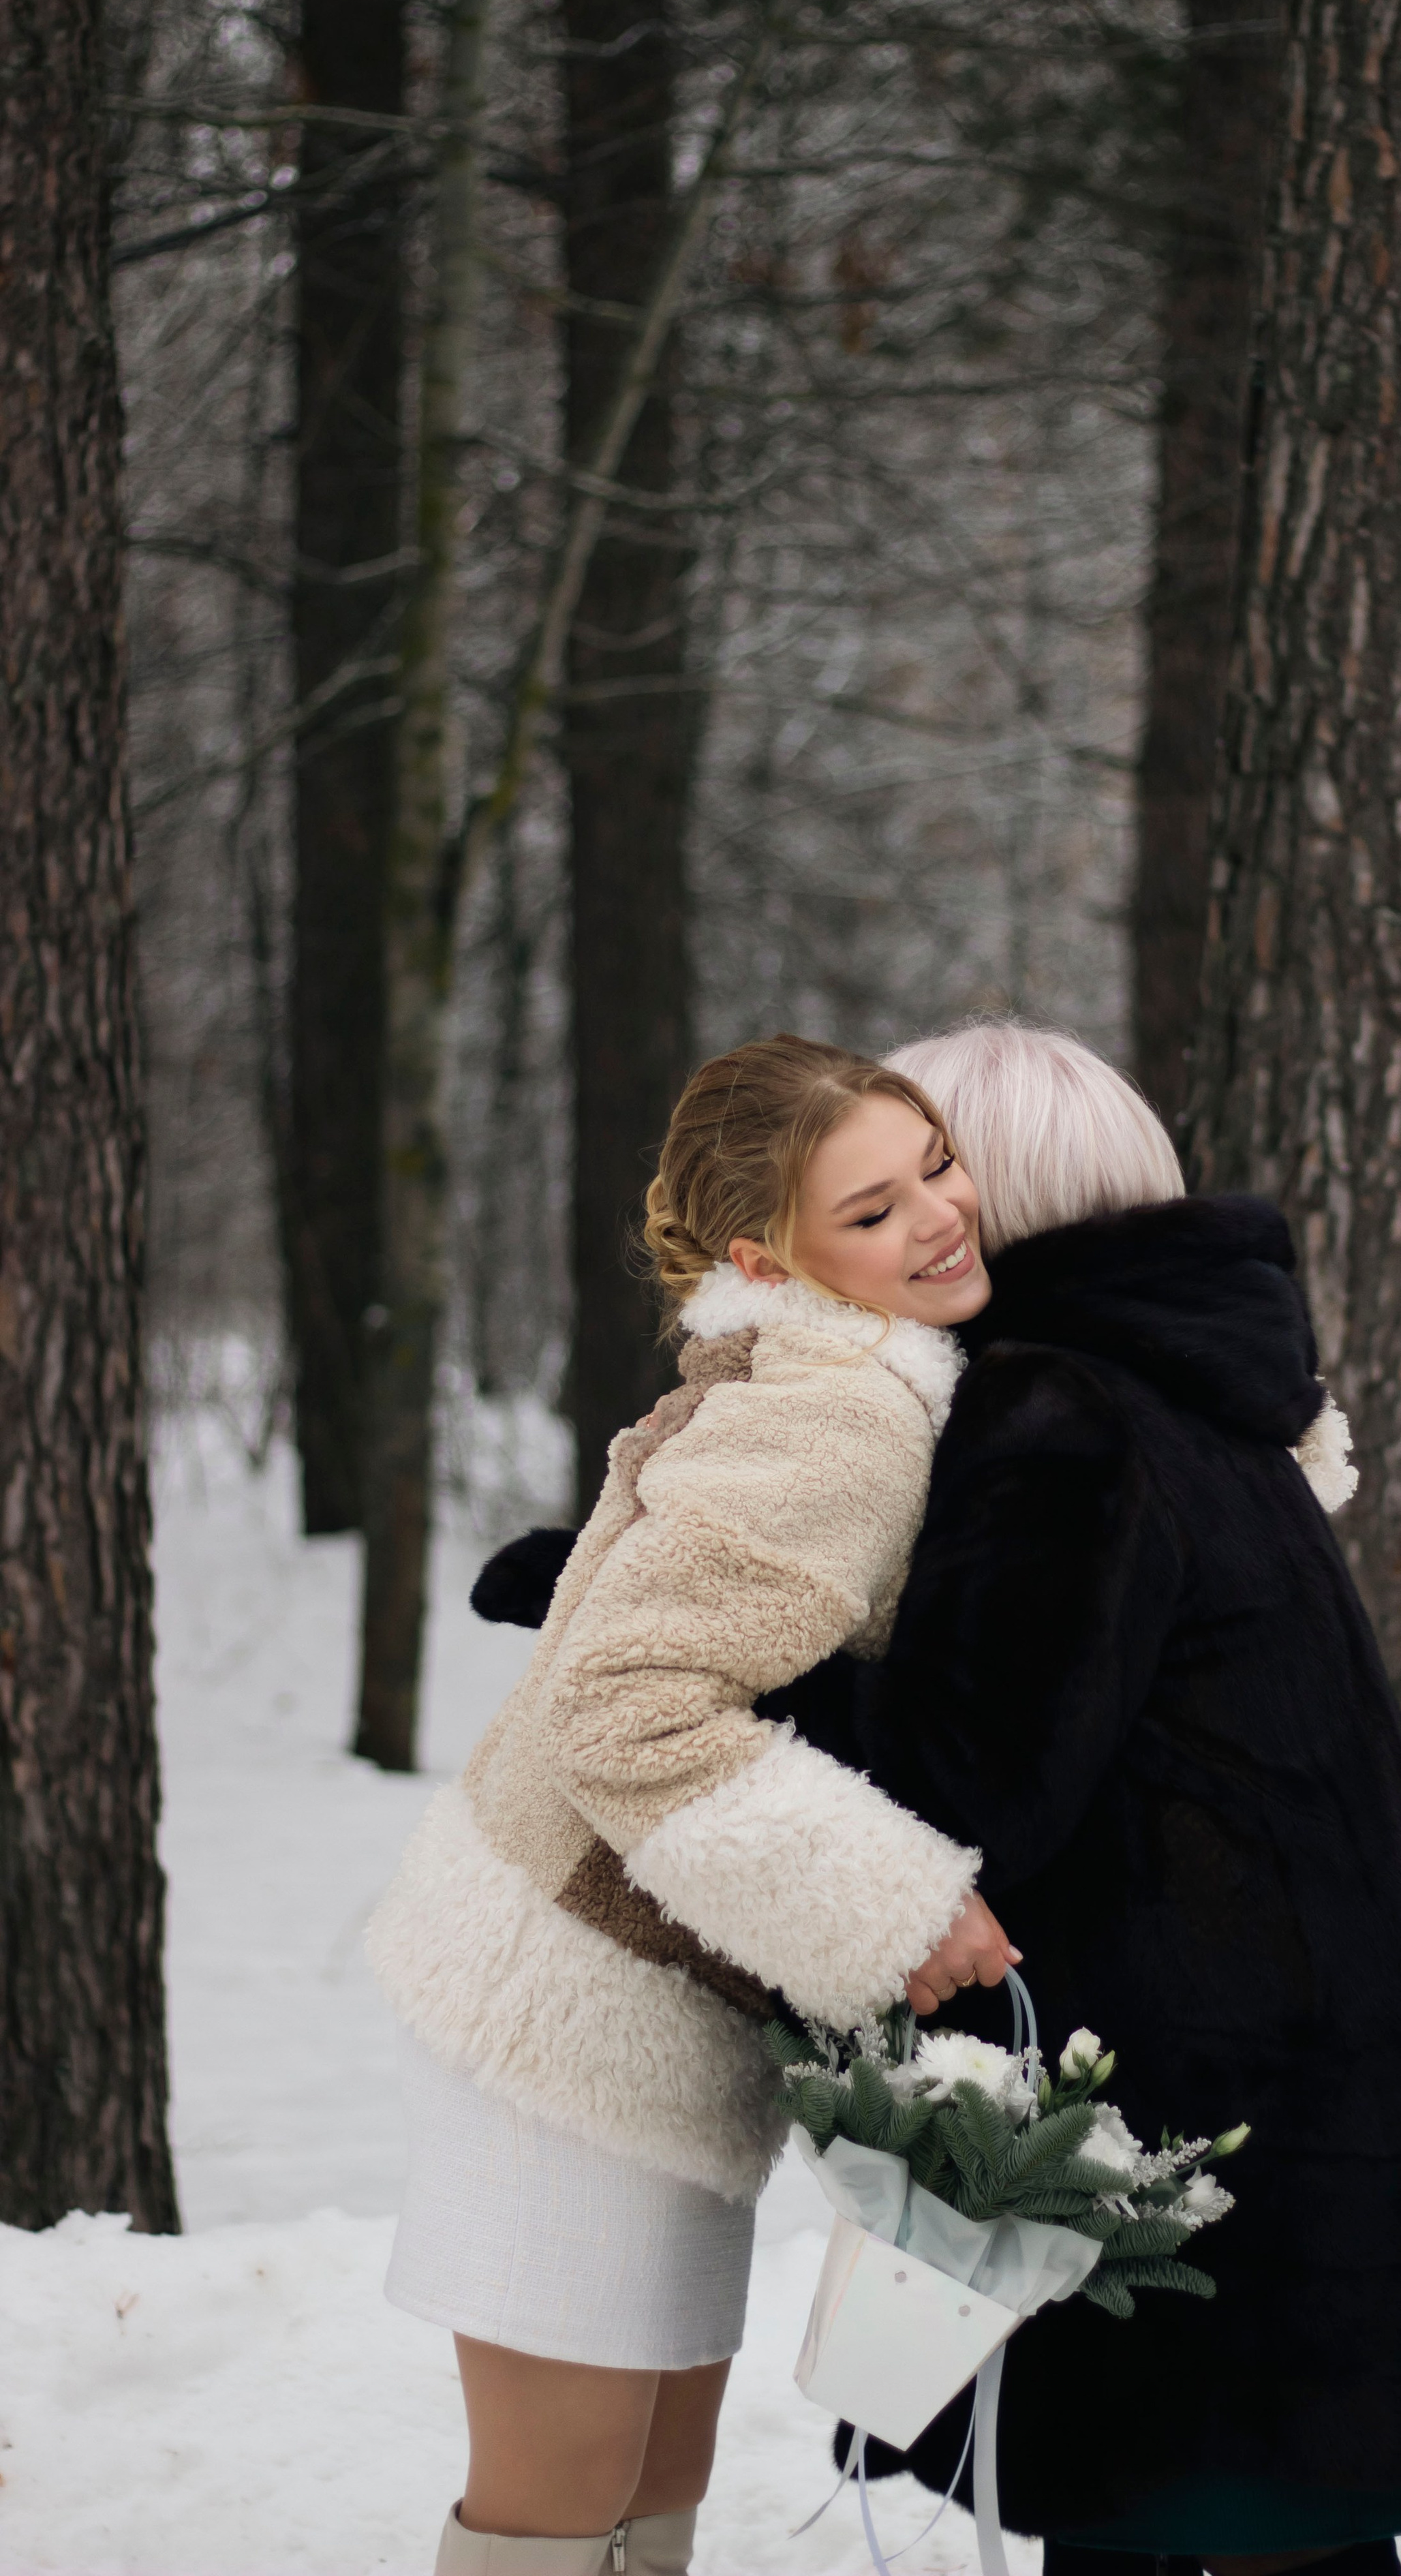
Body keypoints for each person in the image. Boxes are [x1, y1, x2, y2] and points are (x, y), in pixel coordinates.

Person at [818, 1021, 1401, 2576]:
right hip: (1336, 2077)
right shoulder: (1201, 1391)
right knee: (1284, 2534)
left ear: (988, 1199)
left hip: (1209, 2109)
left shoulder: (1054, 1408)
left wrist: (735, 1659)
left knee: (1176, 2525)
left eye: (924, 1176)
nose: (903, 1220)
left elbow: (969, 1780)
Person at [368, 1034, 1017, 2576]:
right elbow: (625, 1708)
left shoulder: (840, 1366)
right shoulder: (841, 1409)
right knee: (563, 2500)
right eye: (872, 1211)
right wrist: (901, 1900)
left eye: (936, 1165)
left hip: (638, 2003)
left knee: (651, 2480)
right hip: (568, 2009)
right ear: (766, 1259)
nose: (937, 1216)